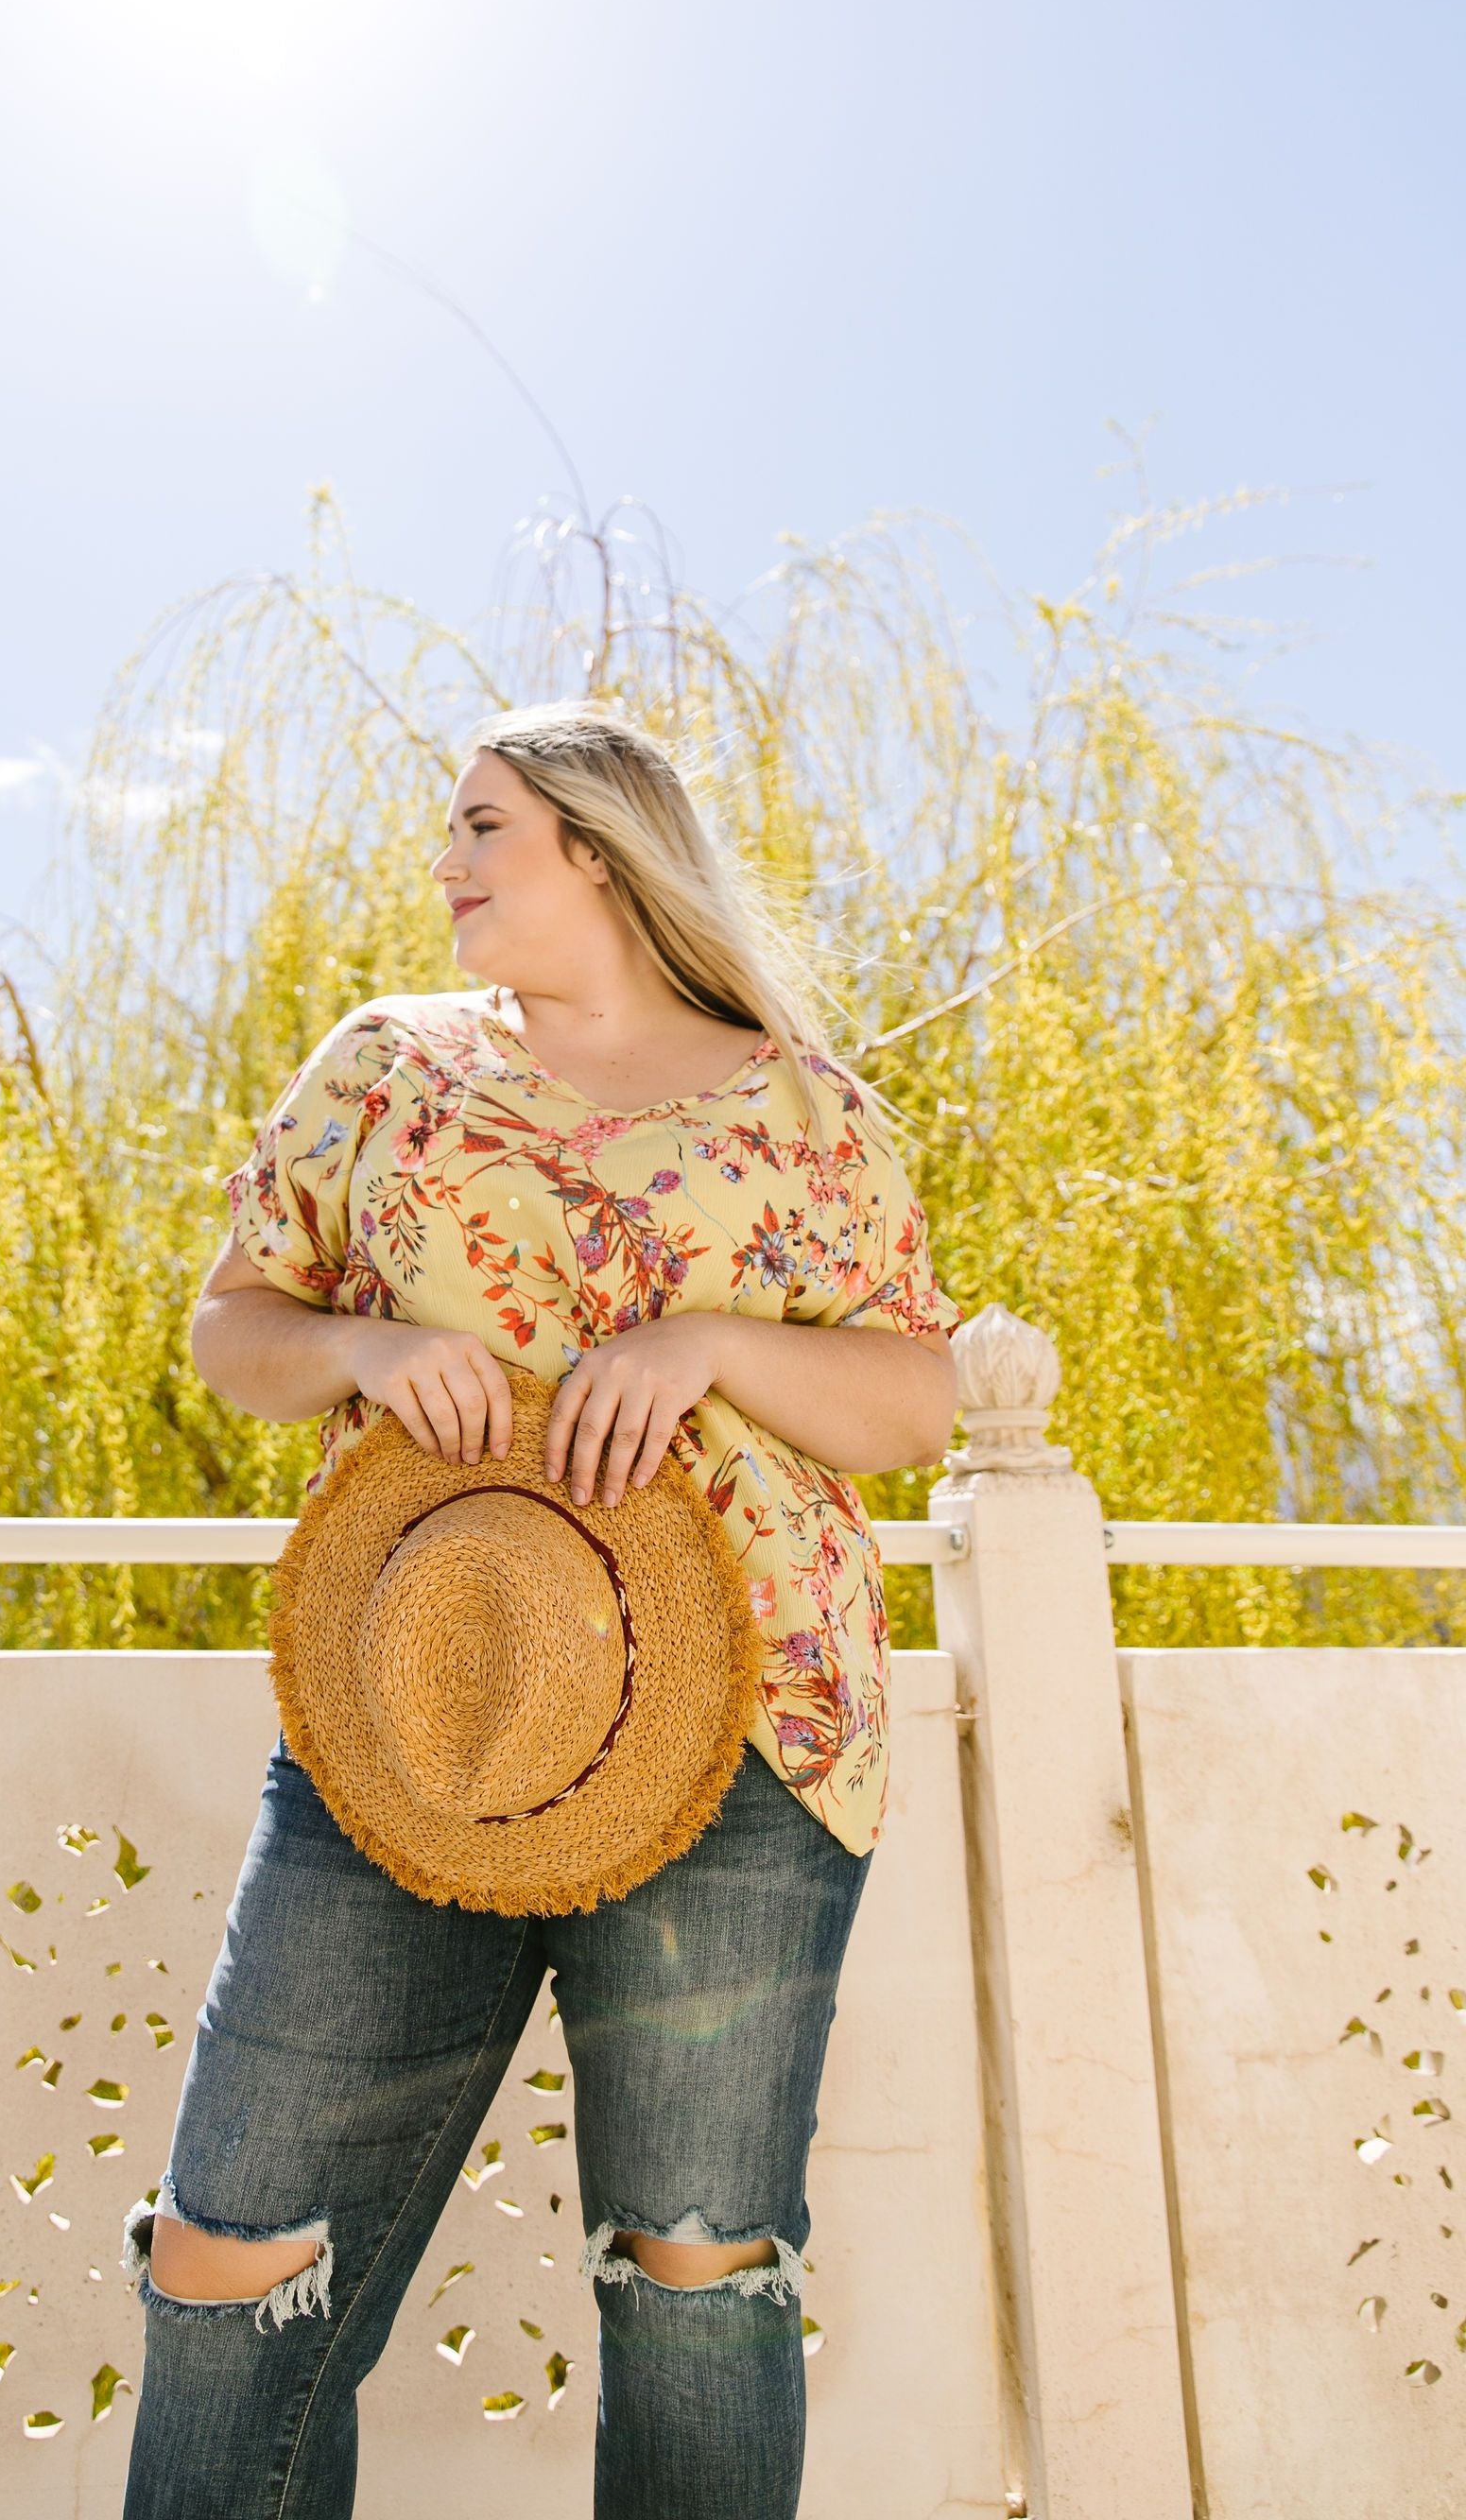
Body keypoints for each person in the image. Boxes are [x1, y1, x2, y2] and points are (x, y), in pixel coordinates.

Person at [121, 705, 958, 2519]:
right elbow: (233, 1327)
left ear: (599, 843)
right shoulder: (387, 1068)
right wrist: (365, 1345)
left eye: (482, 824)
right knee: (228, 2242)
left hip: (750, 1730)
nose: (447, 860)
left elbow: (913, 1407)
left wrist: (713, 1346)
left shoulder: (806, 1107)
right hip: (412, 1710)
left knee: (698, 2270)